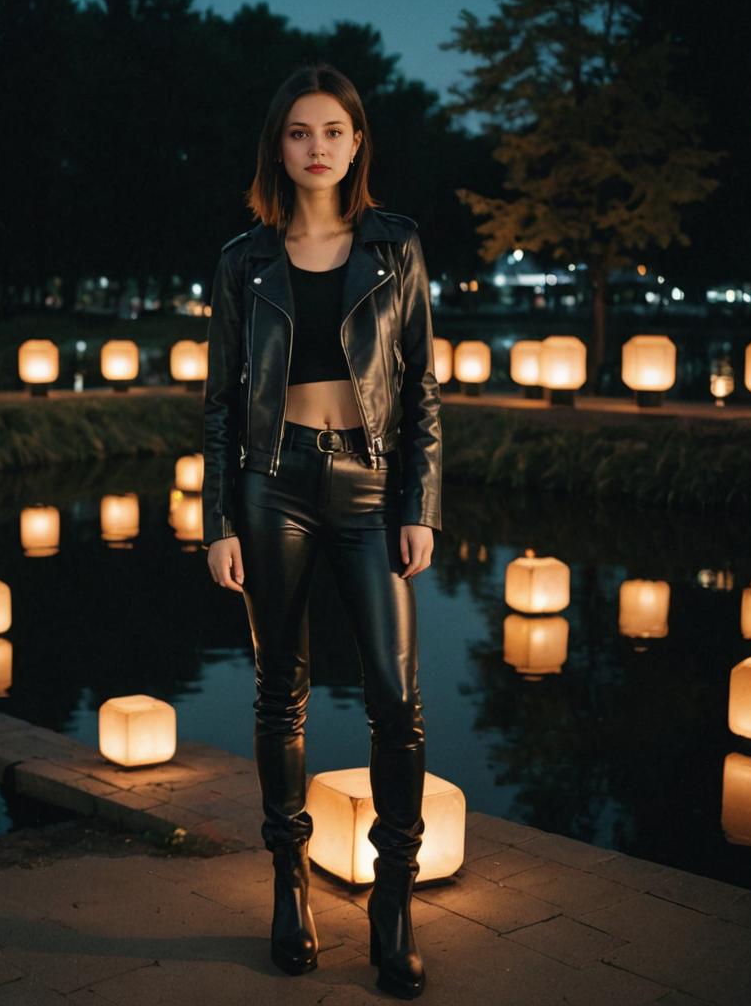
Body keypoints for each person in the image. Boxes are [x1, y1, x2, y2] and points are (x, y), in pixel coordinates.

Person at [201, 62, 442, 1000]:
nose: (317, 147)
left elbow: (422, 389)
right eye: (299, 132)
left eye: (333, 131)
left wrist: (419, 505)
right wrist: (218, 519)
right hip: (272, 488)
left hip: (374, 487)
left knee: (397, 698)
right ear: (280, 147)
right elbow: (220, 402)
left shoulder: (397, 247)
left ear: (356, 144)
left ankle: (394, 899)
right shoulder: (240, 261)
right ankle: (288, 883)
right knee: (280, 692)